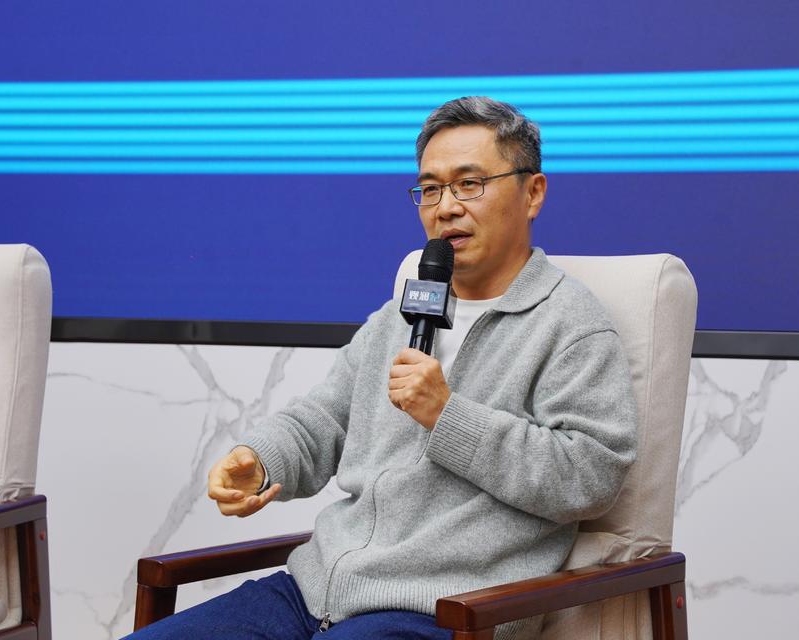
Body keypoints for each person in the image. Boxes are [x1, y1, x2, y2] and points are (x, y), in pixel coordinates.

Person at [126, 97, 638, 640]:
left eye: (469, 184)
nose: (445, 208)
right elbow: (325, 418)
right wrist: (260, 459)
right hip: (311, 593)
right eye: (431, 189)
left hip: (444, 610)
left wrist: (447, 416)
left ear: (532, 193)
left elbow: (590, 476)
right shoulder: (401, 313)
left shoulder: (570, 325)